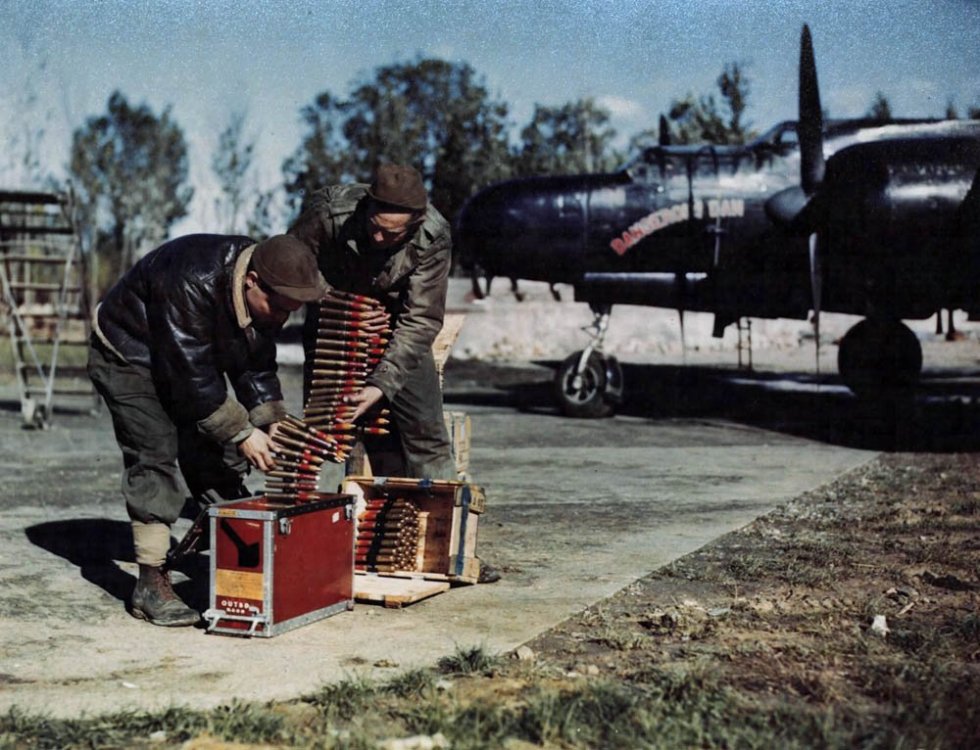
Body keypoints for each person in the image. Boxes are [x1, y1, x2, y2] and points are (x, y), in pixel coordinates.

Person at [88, 234, 328, 626]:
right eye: (279, 307)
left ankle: (242, 549)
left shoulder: (269, 286)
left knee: (218, 454)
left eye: (293, 310)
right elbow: (191, 376)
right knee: (155, 452)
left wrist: (270, 420)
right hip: (128, 355)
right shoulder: (191, 280)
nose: (282, 318)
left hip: (181, 361)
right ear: (251, 281)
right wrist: (244, 432)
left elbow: (255, 364)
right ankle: (150, 582)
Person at [288, 164, 456, 481]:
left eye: (392, 234)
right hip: (331, 322)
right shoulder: (328, 213)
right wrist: (345, 306)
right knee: (328, 428)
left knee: (425, 434)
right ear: (367, 206)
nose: (378, 237)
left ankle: (438, 520)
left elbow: (421, 318)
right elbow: (290, 268)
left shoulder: (434, 235)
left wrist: (381, 385)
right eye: (374, 226)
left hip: (395, 328)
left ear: (415, 223)